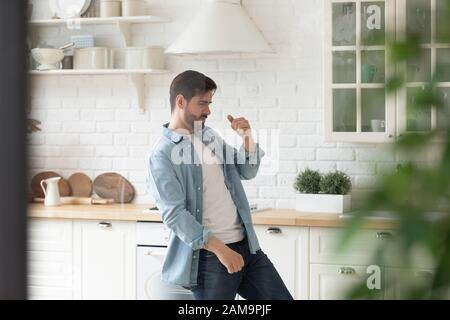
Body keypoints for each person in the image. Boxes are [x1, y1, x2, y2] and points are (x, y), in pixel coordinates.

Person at [147, 70, 293, 300]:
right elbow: (175, 216)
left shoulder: (208, 136)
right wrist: (221, 250)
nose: (208, 111)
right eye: (202, 103)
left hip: (247, 248)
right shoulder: (163, 154)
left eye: (210, 103)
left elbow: (246, 171)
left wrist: (247, 138)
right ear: (180, 101)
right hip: (210, 259)